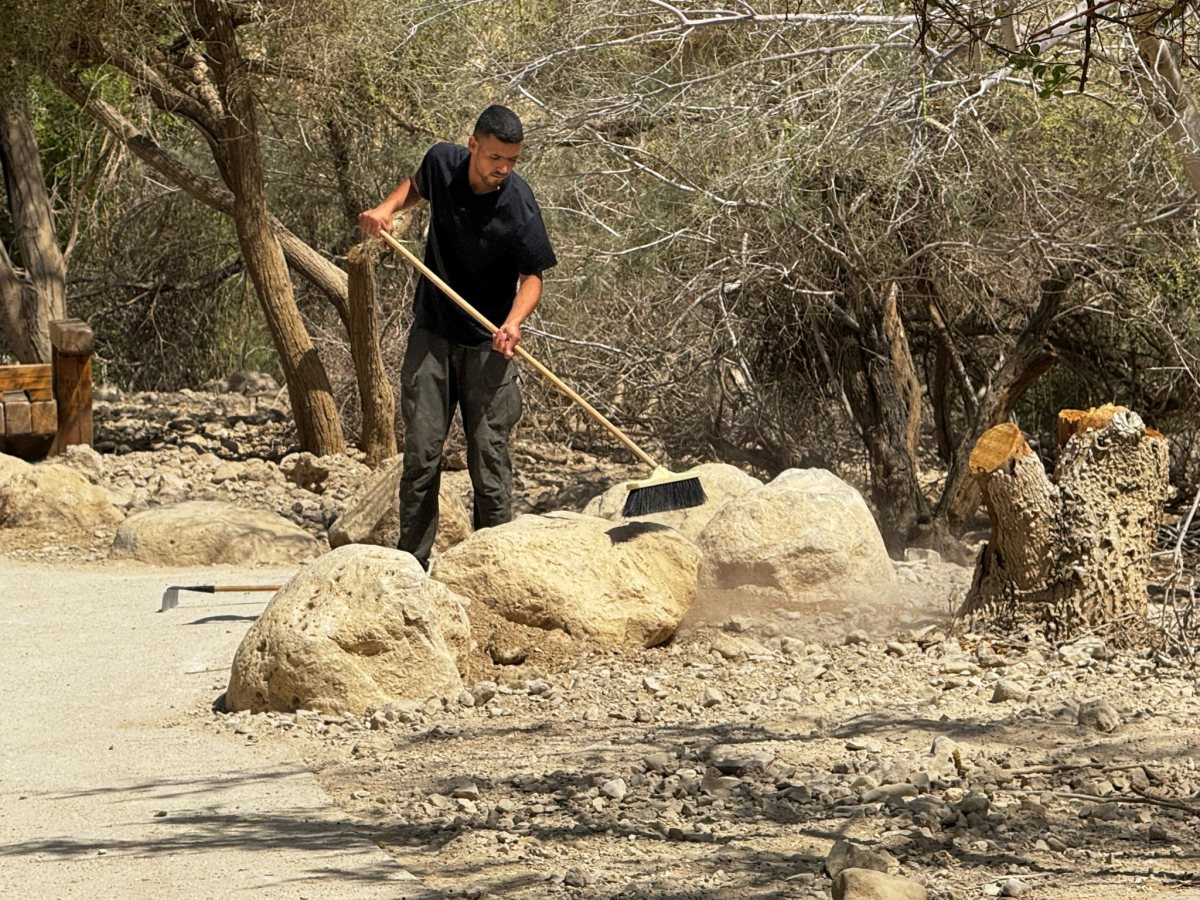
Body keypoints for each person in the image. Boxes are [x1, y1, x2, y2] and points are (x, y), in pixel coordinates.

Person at [359, 105, 557, 569]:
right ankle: (412, 566)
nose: (502, 169)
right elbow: (416, 186)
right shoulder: (442, 163)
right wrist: (386, 210)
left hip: (490, 346)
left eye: (511, 160)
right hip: (433, 336)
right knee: (422, 457)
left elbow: (533, 277)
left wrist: (514, 322)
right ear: (473, 146)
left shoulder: (519, 204)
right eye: (494, 158)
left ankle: (492, 569)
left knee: (490, 464)